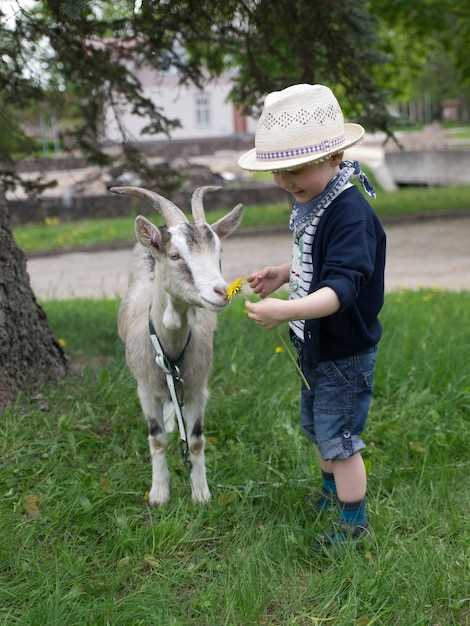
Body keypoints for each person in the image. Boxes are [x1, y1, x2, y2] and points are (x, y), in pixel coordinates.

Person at [239, 84, 386, 548]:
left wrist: (287, 311)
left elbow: (340, 289)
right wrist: (284, 274)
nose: (286, 182)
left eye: (295, 170)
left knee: (339, 434)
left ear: (335, 156)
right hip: (315, 342)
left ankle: (353, 522)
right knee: (316, 422)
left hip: (343, 346)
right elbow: (315, 261)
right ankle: (330, 495)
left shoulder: (350, 213)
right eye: (279, 173)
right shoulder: (313, 198)